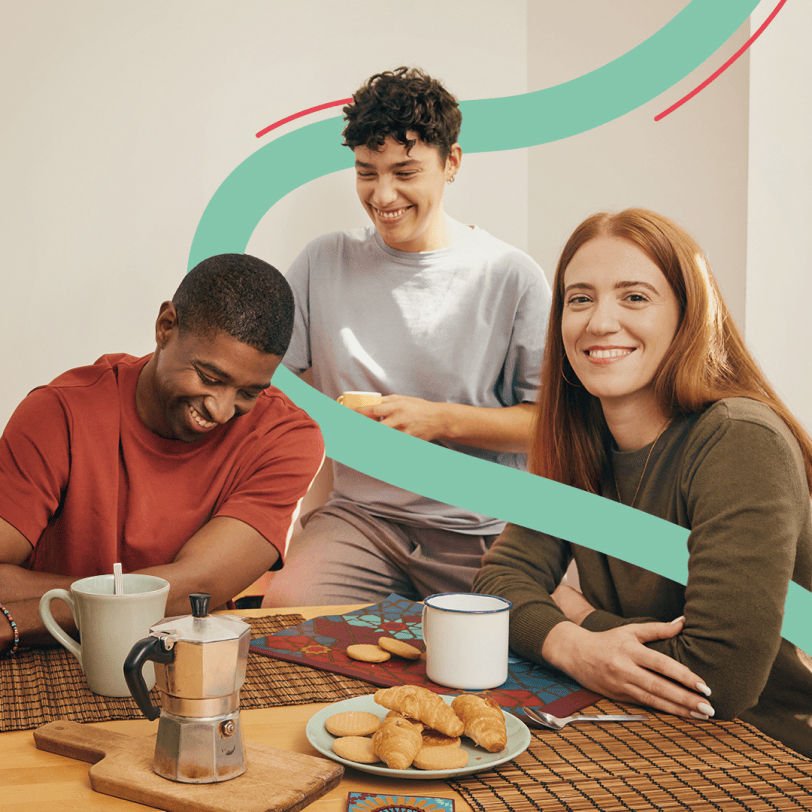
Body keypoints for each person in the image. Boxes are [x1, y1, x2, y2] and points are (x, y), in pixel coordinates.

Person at [473, 208, 812, 757]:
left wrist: (584, 617)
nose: (600, 322)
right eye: (580, 298)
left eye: (634, 297)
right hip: (640, 726)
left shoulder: (739, 439)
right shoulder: (580, 437)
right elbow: (496, 584)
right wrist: (572, 643)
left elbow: (715, 682)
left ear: (687, 316)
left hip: (768, 749)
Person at [264, 67, 552, 606]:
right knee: (287, 620)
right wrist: (298, 514)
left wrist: (438, 419)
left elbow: (547, 424)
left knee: (506, 661)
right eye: (366, 173)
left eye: (405, 171)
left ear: (452, 164)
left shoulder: (511, 276)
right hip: (360, 520)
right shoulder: (322, 261)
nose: (383, 194)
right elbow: (276, 393)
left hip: (479, 531)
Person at [0, 253, 324, 655]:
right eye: (210, 378)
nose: (221, 410)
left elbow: (194, 589)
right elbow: (177, 596)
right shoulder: (58, 412)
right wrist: (144, 597)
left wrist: (24, 613)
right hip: (49, 657)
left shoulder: (287, 439)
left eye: (248, 392)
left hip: (182, 661)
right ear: (165, 326)